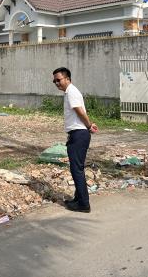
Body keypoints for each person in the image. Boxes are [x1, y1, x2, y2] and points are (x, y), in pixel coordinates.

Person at [52, 67, 98, 213]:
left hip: (79, 134)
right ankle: (78, 199)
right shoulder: (70, 92)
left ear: (67, 79)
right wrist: (89, 126)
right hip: (78, 133)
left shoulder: (71, 92)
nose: (56, 83)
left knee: (76, 169)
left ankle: (84, 204)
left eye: (58, 80)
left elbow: (79, 111)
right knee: (78, 169)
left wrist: (89, 125)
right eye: (54, 81)